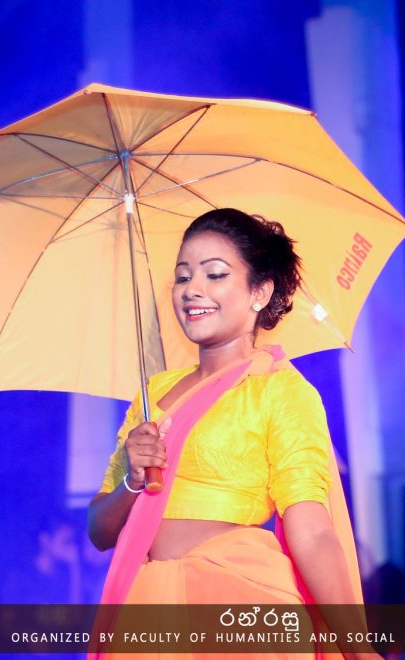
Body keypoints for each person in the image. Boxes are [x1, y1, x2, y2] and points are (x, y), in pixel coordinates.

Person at [87, 209, 380, 659]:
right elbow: (100, 531)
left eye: (215, 274)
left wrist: (359, 648)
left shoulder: (280, 390)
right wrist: (132, 478)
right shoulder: (153, 395)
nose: (192, 289)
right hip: (147, 609)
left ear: (260, 292)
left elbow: (312, 529)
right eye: (182, 276)